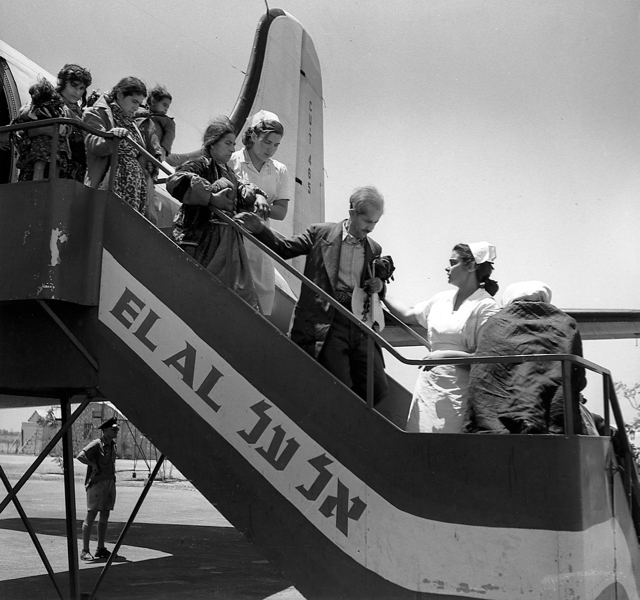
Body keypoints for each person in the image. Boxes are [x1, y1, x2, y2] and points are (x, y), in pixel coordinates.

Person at [237, 185, 390, 405]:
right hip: (327, 320)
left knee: (377, 388)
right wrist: (259, 228)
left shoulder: (374, 248)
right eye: (368, 222)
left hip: (358, 324)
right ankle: (333, 424)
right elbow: (285, 248)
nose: (371, 228)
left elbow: (375, 288)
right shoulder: (320, 233)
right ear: (352, 212)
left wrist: (379, 286)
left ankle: (343, 422)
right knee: (338, 384)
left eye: (375, 223)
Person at [384, 242, 500, 433]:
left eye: (453, 262)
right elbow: (408, 315)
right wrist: (382, 293)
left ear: (471, 266)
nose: (447, 267)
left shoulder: (486, 306)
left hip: (459, 395)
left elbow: (487, 360)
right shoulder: (441, 299)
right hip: (428, 391)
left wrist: (445, 356)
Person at [464, 281, 588, 435]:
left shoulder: (494, 323)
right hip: (553, 426)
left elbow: (482, 374)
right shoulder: (566, 324)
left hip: (494, 427)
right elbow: (579, 380)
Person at [167, 116, 264, 310]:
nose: (232, 149)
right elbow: (176, 180)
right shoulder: (201, 164)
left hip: (227, 245)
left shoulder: (231, 174)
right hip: (200, 240)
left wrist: (257, 195)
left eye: (233, 144)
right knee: (193, 296)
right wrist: (211, 197)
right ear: (212, 144)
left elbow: (245, 189)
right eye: (227, 143)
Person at [230, 110, 292, 315]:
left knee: (263, 292)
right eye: (267, 142)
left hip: (259, 240)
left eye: (276, 145)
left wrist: (261, 203)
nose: (271, 150)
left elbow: (281, 211)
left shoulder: (279, 170)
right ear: (253, 136)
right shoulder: (232, 160)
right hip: (232, 234)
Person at [83, 77, 151, 216]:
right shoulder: (96, 112)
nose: (136, 107)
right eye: (134, 101)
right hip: (110, 184)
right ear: (120, 95)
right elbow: (94, 144)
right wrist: (111, 138)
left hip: (134, 190)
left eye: (139, 104)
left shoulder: (132, 124)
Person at [76, 417, 119, 562]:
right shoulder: (97, 444)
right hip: (97, 483)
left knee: (105, 514)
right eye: (113, 429)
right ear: (105, 430)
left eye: (117, 429)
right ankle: (85, 551)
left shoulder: (113, 445)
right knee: (91, 515)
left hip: (109, 483)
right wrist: (92, 465)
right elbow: (80, 456)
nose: (116, 431)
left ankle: (101, 548)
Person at [12, 78, 71, 181]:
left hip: (41, 144)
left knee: (39, 166)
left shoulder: (38, 109)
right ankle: (53, 186)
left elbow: (27, 115)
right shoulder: (59, 108)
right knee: (56, 166)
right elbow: (65, 127)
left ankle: (37, 186)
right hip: (58, 144)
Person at [55, 63, 93, 182]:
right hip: (55, 167)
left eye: (82, 88)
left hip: (77, 172)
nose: (77, 92)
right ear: (62, 83)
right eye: (74, 85)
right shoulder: (51, 102)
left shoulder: (80, 113)